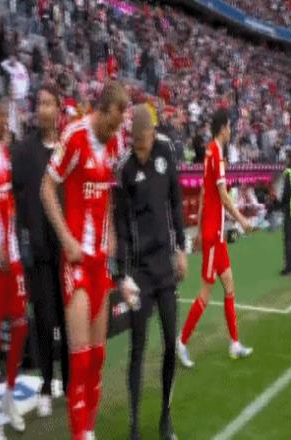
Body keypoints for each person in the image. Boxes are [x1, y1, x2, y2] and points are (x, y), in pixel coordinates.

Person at [41, 81, 129, 440]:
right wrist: (66, 238)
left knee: (97, 357)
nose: (114, 131)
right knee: (79, 359)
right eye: (112, 123)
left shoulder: (113, 143)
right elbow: (47, 188)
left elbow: (106, 191)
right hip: (76, 263)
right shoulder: (75, 136)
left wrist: (111, 232)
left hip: (100, 264)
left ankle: (88, 430)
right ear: (101, 110)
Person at [114, 105, 187, 440]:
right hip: (140, 274)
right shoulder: (125, 168)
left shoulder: (165, 152)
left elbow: (176, 201)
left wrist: (181, 247)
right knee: (138, 348)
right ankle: (133, 426)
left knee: (170, 343)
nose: (139, 150)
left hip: (165, 269)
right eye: (135, 144)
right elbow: (121, 227)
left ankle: (166, 417)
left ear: (151, 135)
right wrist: (123, 274)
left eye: (143, 143)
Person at [177, 109, 253, 369]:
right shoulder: (216, 154)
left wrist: (199, 230)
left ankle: (235, 343)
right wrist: (241, 219)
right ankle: (182, 341)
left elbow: (203, 192)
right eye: (229, 126)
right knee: (205, 294)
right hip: (213, 235)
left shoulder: (211, 152)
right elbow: (222, 195)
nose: (231, 131)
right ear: (222, 128)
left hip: (214, 234)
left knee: (229, 285)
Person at [12, 84, 69, 417]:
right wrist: (22, 239)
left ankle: (70, 381)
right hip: (39, 254)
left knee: (69, 319)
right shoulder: (23, 151)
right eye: (39, 103)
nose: (42, 108)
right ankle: (47, 385)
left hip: (68, 252)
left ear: (59, 109)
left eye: (49, 103)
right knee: (46, 322)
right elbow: (13, 198)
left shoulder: (67, 148)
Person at [0, 93, 29, 440]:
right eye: (2, 115)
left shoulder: (4, 154)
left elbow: (9, 202)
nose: (6, 122)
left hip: (12, 257)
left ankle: (10, 396)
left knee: (21, 326)